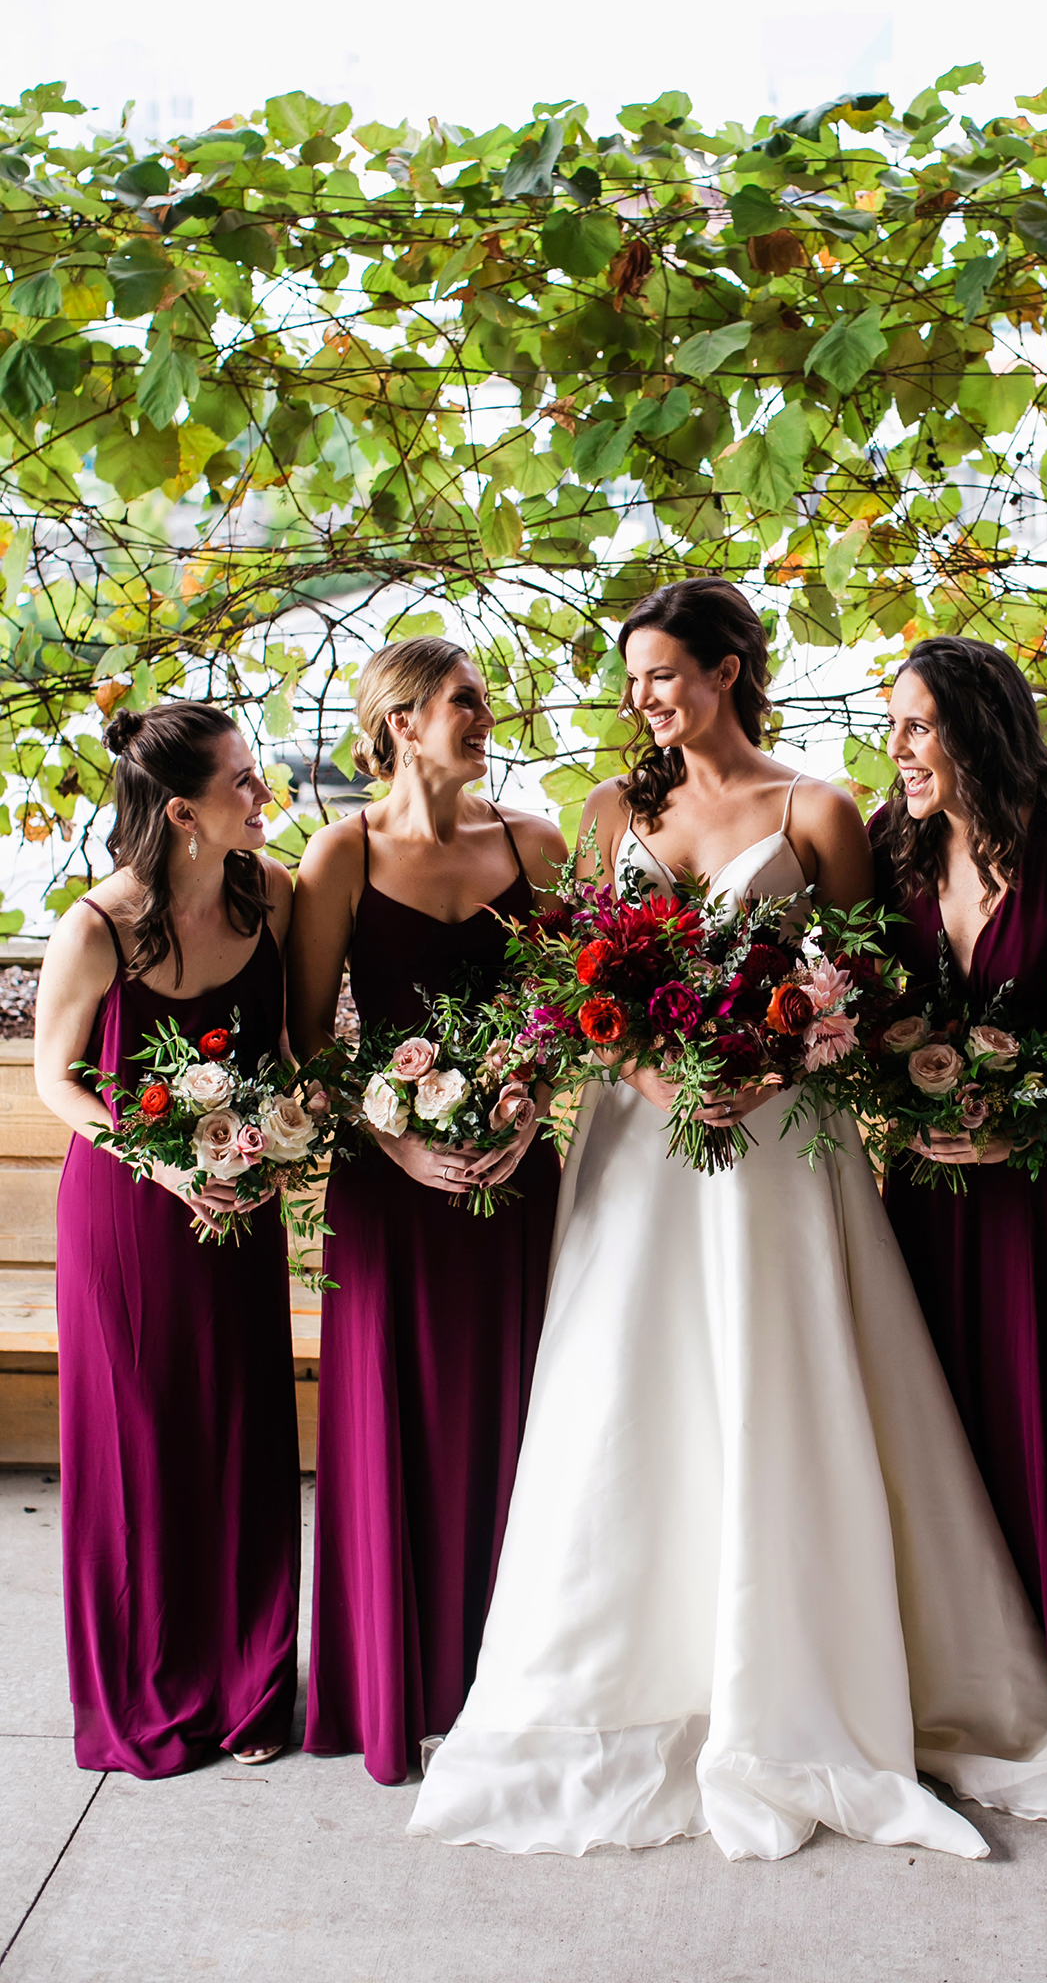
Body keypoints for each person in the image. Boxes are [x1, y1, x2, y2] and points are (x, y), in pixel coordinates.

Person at [409, 577, 1047, 1863]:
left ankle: (804, 1697)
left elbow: (871, 989)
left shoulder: (817, 809)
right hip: (637, 1153)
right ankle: (607, 1694)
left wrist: (773, 1066)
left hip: (781, 1148)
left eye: (665, 674)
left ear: (730, 669)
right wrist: (655, 1072)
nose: (644, 700)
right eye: (634, 681)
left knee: (785, 1394)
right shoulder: (610, 810)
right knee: (626, 1400)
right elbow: (575, 988)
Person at [288, 637, 564, 1786]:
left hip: (515, 1174)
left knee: (518, 1421)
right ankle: (394, 1681)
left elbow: (563, 1011)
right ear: (402, 721)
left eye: (485, 701)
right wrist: (396, 1136)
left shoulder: (535, 842)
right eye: (464, 703)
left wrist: (523, 1105)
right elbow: (309, 1040)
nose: (482, 718)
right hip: (388, 1191)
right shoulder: (341, 853)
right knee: (395, 1419)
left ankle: (513, 1679)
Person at [873, 637, 1047, 1767]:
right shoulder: (892, 854)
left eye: (918, 725)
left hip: (1044, 1212)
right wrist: (898, 1101)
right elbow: (852, 1023)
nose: (896, 748)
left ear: (978, 732)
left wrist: (1033, 1118)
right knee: (927, 1437)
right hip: (924, 1201)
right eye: (893, 725)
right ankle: (939, 1691)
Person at [34, 702, 300, 1776]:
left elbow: (290, 1048)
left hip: (243, 1201)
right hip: (130, 1208)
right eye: (242, 780)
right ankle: (147, 1684)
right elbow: (59, 1077)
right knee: (140, 1441)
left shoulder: (273, 896)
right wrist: (168, 1163)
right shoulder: (97, 925)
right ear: (183, 812)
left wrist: (273, 1141)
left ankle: (250, 1684)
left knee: (242, 1430)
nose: (263, 793)